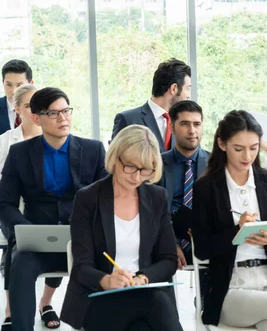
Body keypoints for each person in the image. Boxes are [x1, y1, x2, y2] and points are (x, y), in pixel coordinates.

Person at [0, 87, 107, 331]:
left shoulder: (93, 150)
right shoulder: (19, 153)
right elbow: (5, 203)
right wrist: (24, 232)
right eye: (54, 114)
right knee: (19, 266)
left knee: (103, 268)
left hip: (83, 241)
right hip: (36, 241)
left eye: (66, 111)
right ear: (36, 118)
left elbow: (106, 199)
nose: (63, 118)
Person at [192, 110, 267, 330]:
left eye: (254, 148)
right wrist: (236, 231)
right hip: (231, 286)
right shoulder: (206, 188)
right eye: (239, 149)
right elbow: (202, 250)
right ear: (222, 144)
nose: (247, 156)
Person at [61, 125, 182, 331]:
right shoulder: (88, 198)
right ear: (115, 158)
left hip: (144, 294)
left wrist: (143, 277)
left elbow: (169, 259)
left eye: (145, 170)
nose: (136, 177)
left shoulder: (156, 197)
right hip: (99, 298)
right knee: (156, 302)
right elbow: (81, 266)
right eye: (130, 167)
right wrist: (106, 280)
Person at [0, 85, 60, 330]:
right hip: (17, 211)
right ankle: (11, 309)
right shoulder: (8, 143)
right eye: (27, 105)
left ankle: (45, 302)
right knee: (14, 257)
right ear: (19, 109)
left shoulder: (58, 139)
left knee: (57, 240)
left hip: (49, 215)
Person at [159, 100, 210, 305]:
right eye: (185, 124)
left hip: (202, 234)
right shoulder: (157, 164)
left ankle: (208, 302)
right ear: (172, 126)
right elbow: (151, 212)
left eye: (197, 124)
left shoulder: (215, 163)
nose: (192, 130)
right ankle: (163, 311)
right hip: (166, 232)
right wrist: (169, 242)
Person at [111, 58, 192, 152]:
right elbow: (114, 161)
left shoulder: (180, 122)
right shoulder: (128, 120)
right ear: (174, 88)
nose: (188, 95)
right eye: (187, 88)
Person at [0, 60, 33, 135]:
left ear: (31, 84)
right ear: (3, 83)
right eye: (9, 85)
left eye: (19, 85)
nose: (14, 91)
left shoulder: (41, 109)